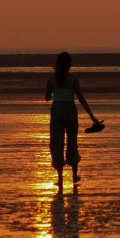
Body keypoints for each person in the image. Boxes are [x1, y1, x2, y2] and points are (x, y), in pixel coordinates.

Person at [45, 52, 102, 195]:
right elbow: (81, 98)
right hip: (70, 110)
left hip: (57, 110)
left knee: (57, 144)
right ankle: (74, 175)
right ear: (69, 65)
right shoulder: (73, 79)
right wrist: (92, 117)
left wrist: (55, 93)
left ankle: (60, 178)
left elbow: (46, 97)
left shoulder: (52, 78)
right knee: (72, 142)